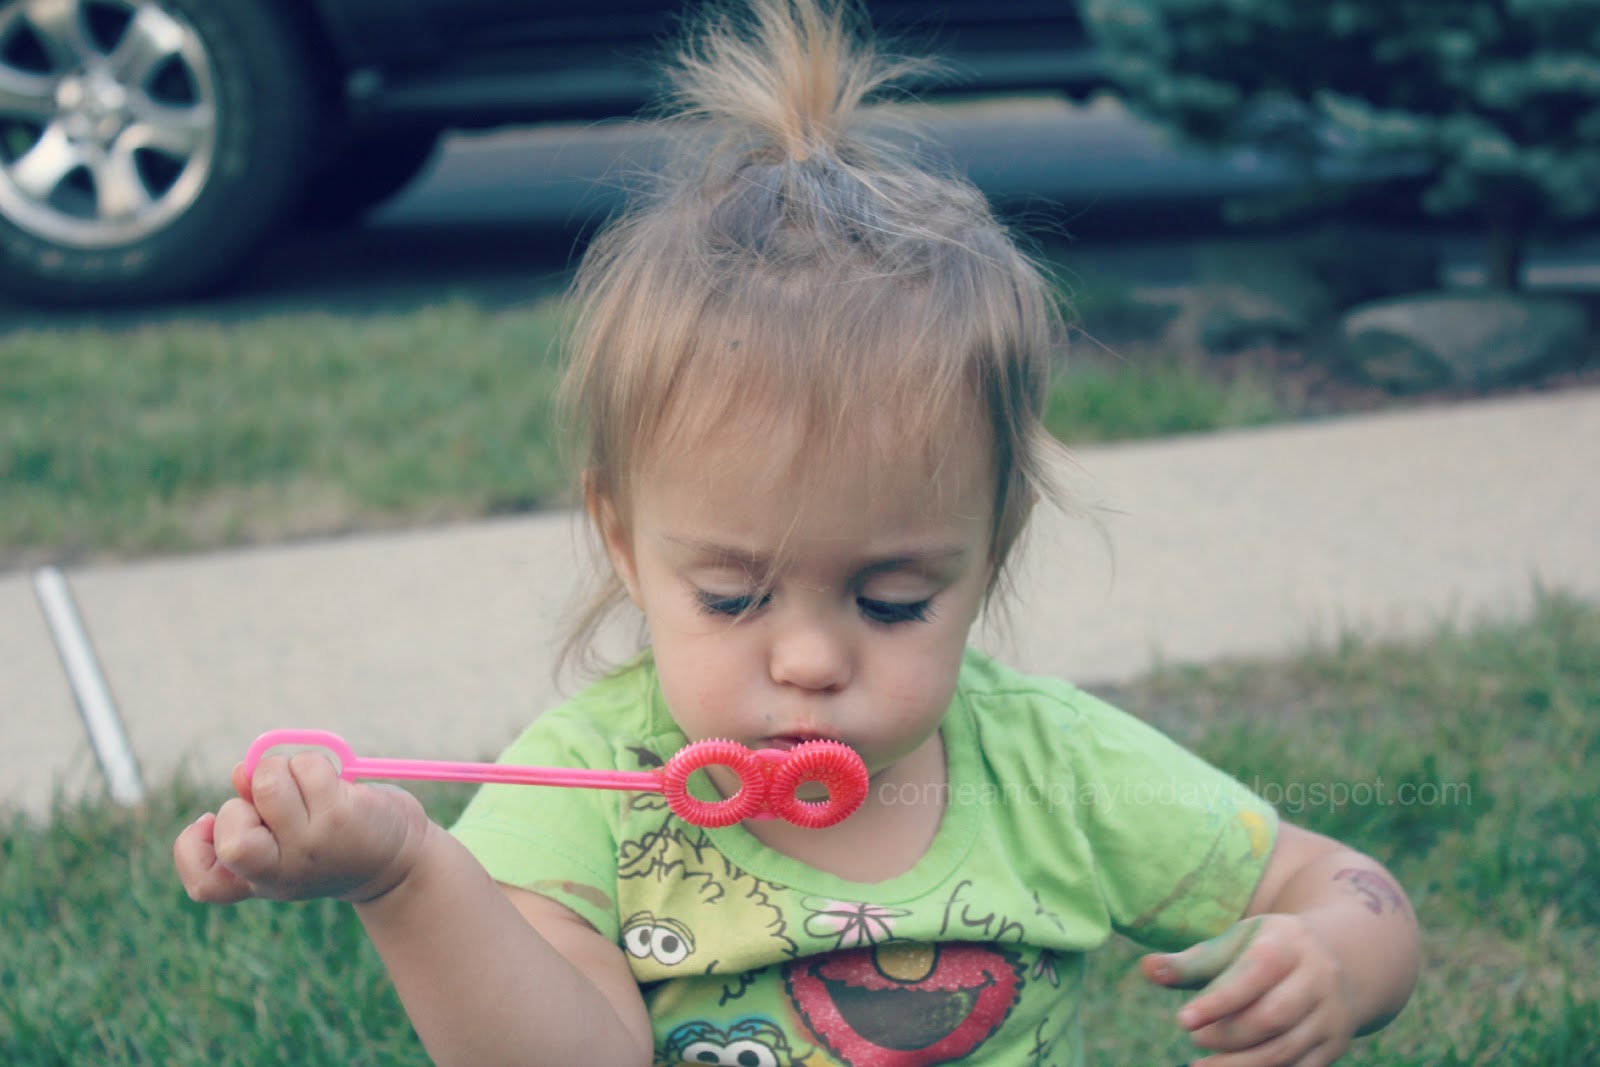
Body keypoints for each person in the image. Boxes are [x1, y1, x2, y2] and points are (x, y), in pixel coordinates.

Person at [173, 1, 1420, 1063]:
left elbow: (1339, 881)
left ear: (991, 548)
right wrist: (406, 875)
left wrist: (1336, 952)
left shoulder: (1052, 769)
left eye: (890, 600)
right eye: (731, 596)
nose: (811, 659)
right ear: (622, 538)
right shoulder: (583, 796)